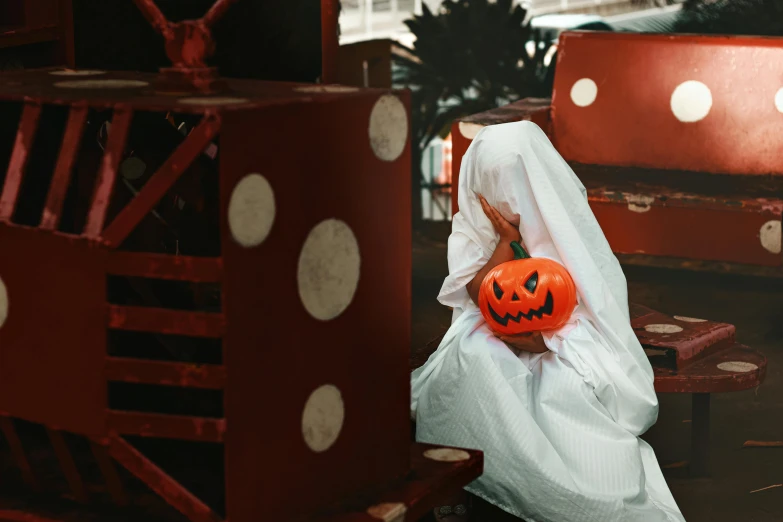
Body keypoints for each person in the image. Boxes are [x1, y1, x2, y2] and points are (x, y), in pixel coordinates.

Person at [411, 121, 685, 522]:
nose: (503, 198)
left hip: (563, 339)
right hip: (493, 330)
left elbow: (596, 307)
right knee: (472, 367)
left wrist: (551, 342)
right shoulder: (475, 222)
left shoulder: (563, 220)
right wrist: (505, 241)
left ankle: (569, 487)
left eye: (511, 187)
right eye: (492, 186)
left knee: (564, 395)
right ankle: (469, 475)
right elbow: (479, 293)